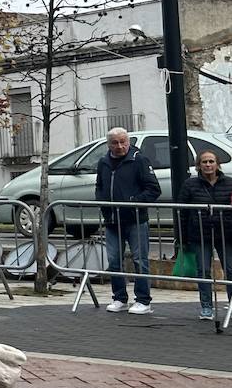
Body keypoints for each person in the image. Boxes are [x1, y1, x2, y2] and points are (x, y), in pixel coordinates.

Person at [95, 127, 162, 315]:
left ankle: (143, 300)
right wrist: (103, 204)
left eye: (123, 142)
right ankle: (119, 297)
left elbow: (153, 189)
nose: (120, 146)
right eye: (115, 143)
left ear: (128, 141)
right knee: (114, 260)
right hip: (111, 220)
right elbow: (99, 186)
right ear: (109, 145)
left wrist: (133, 202)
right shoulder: (103, 162)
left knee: (140, 259)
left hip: (135, 219)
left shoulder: (139, 160)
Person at [178, 150, 232, 322]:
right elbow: (182, 212)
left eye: (211, 161)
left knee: (230, 270)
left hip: (227, 234)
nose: (208, 165)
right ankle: (207, 307)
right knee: (203, 271)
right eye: (204, 162)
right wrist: (182, 237)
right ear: (198, 166)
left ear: (217, 164)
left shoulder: (229, 183)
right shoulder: (190, 185)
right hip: (200, 235)